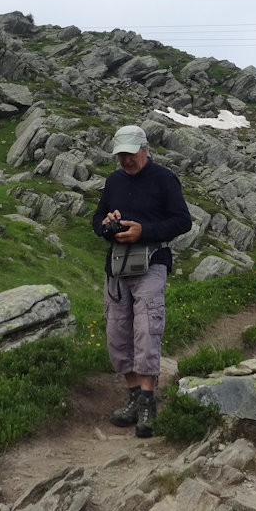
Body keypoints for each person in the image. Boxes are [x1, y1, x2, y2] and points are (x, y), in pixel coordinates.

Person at [92, 124, 193, 438]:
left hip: (151, 263)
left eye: (130, 154)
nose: (125, 160)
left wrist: (143, 231)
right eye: (120, 155)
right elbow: (96, 220)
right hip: (118, 267)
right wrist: (107, 225)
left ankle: (149, 402)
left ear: (145, 148)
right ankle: (134, 397)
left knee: (146, 329)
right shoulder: (114, 181)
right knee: (117, 333)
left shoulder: (164, 179)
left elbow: (182, 221)